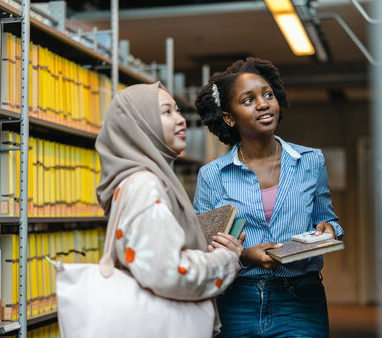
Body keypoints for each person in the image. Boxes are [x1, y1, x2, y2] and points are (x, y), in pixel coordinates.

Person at [194, 57, 344, 338]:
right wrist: (244, 257)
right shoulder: (212, 175)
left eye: (267, 95)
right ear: (229, 117)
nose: (263, 104)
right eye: (248, 100)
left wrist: (330, 229)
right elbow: (203, 248)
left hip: (301, 298)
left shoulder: (311, 161)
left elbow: (328, 220)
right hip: (237, 301)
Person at [95, 82, 245, 336]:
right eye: (166, 112)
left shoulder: (135, 179)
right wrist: (226, 259)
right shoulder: (145, 184)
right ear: (140, 124)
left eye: (178, 110)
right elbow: (169, 273)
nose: (181, 120)